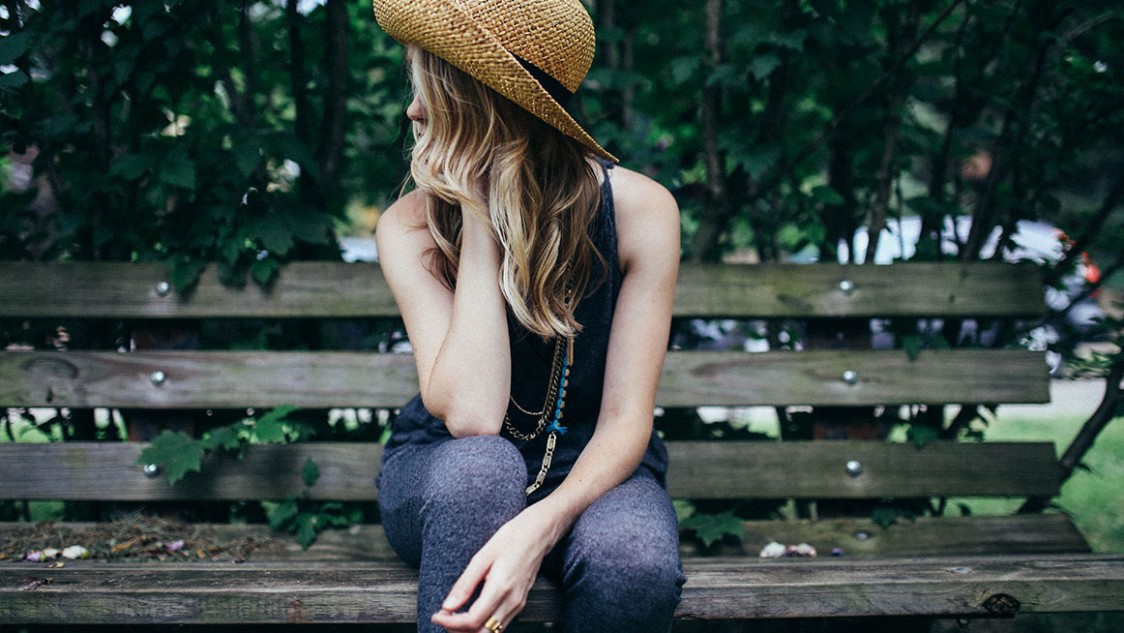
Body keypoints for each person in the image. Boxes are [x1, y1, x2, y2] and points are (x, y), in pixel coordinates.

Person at [371, 1, 684, 631]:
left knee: (633, 562)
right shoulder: (410, 228)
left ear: (479, 102)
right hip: (448, 469)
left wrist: (540, 525)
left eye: (429, 85)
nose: (413, 111)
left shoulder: (642, 213)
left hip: (592, 468)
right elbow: (474, 416)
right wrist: (480, 210)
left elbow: (626, 419)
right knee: (485, 468)